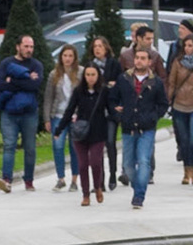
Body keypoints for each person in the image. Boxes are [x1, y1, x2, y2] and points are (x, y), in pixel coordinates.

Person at [110, 46, 169, 209]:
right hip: (128, 127)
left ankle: (139, 196)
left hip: (147, 128)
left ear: (149, 62)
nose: (139, 61)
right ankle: (137, 186)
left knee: (143, 161)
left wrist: (153, 116)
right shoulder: (124, 79)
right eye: (137, 58)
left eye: (143, 58)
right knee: (128, 165)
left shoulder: (155, 82)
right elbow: (113, 99)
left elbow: (163, 103)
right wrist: (118, 115)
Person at [61, 59, 115, 206]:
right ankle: (85, 195)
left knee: (95, 162)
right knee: (83, 164)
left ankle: (97, 187)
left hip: (98, 132)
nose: (90, 77)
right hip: (80, 133)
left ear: (98, 76)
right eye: (88, 74)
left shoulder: (104, 91)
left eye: (93, 74)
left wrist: (120, 117)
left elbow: (111, 110)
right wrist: (60, 128)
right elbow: (70, 110)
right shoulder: (79, 91)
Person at [0, 33, 44, 193]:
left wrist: (13, 81)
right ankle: (6, 179)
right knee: (9, 145)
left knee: (30, 147)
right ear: (18, 47)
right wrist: (25, 80)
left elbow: (34, 86)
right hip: (9, 112)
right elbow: (0, 85)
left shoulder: (36, 65)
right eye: (26, 46)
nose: (29, 50)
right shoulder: (6, 63)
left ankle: (28, 180)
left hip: (29, 112)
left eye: (31, 47)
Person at [166, 32, 193, 186]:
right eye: (185, 45)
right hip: (179, 104)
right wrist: (168, 100)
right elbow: (172, 83)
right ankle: (186, 170)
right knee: (183, 140)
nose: (187, 48)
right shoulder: (177, 63)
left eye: (190, 45)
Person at [42, 43, 83, 192]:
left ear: (75, 58)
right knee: (58, 146)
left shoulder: (81, 72)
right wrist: (47, 118)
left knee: (74, 147)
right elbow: (48, 97)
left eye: (70, 56)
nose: (67, 59)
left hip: (74, 115)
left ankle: (74, 179)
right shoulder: (54, 74)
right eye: (65, 56)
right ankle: (60, 178)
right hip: (58, 115)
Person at [85, 34, 123, 190]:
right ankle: (99, 181)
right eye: (95, 46)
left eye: (100, 46)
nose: (97, 49)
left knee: (110, 143)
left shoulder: (113, 64)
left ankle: (113, 175)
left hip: (110, 111)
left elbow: (120, 85)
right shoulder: (90, 66)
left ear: (106, 48)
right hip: (95, 112)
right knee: (97, 147)